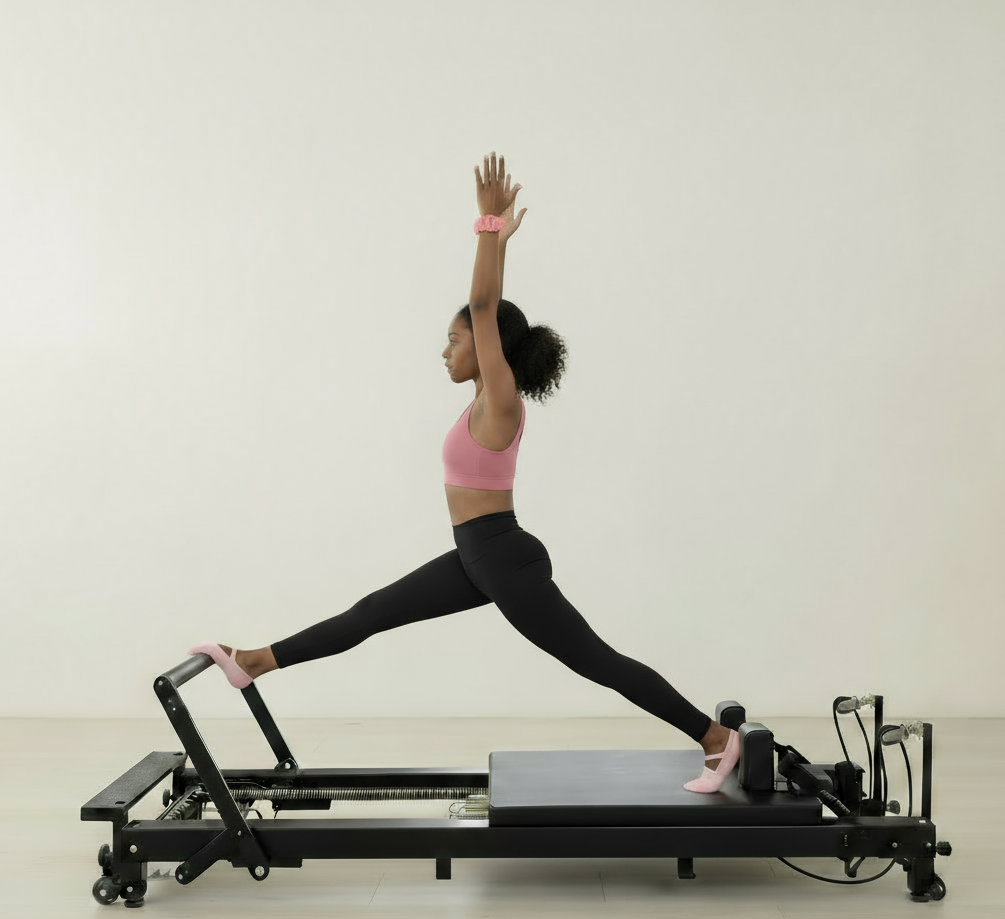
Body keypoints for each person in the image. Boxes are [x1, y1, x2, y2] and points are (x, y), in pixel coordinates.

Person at [190, 151, 740, 794]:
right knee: (371, 613)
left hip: (503, 559)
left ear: (485, 348)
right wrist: (499, 244)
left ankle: (715, 739)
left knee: (598, 662)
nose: (445, 351)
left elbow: (483, 306)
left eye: (455, 340)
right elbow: (486, 312)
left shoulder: (500, 401)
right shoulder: (482, 400)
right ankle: (254, 661)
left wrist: (486, 228)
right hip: (477, 556)